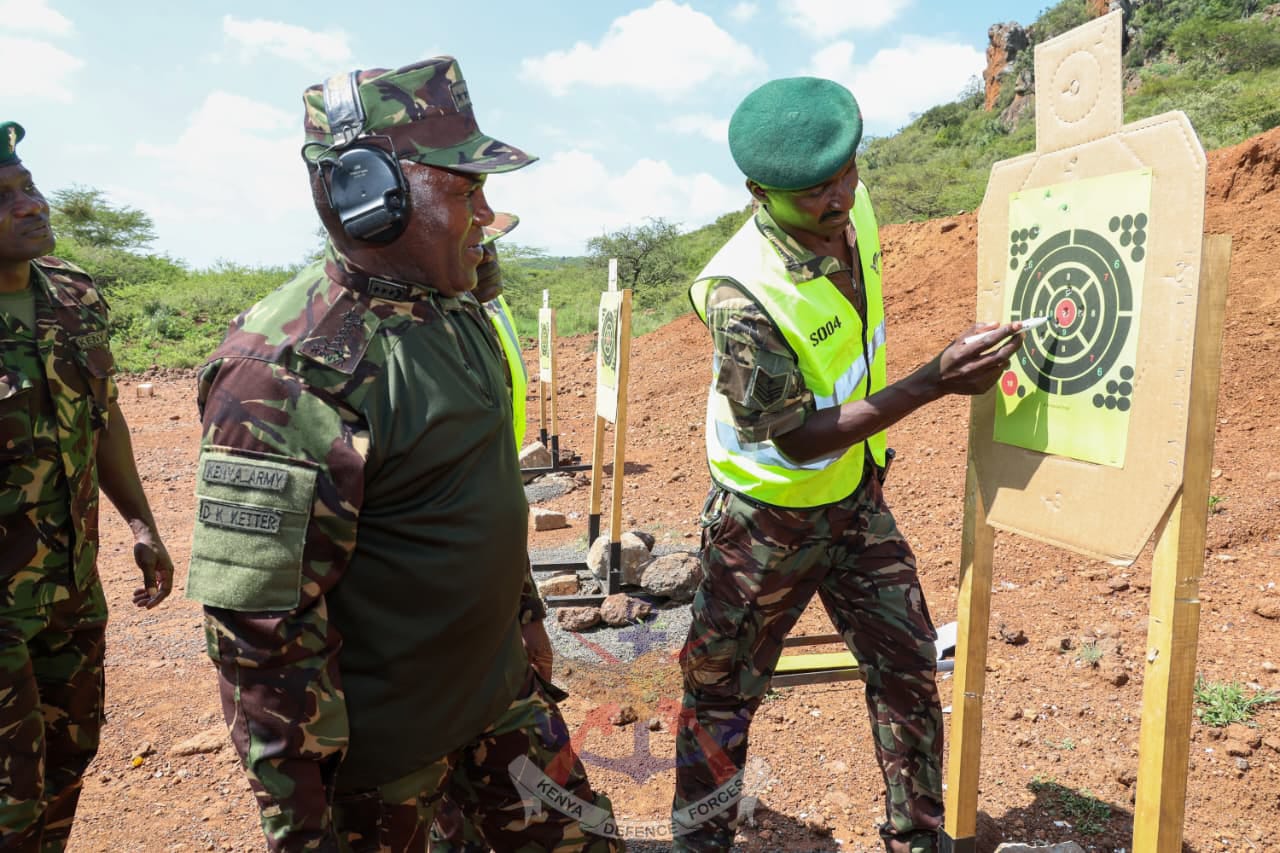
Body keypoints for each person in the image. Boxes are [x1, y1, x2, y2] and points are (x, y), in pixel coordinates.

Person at [186, 58, 620, 852]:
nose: (486, 215)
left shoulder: (451, 307)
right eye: (463, 191)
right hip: (388, 769)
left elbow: (477, 488)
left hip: (504, 706)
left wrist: (522, 615)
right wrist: (305, 829)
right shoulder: (287, 375)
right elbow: (261, 636)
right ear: (369, 197)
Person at [672, 78, 1025, 853]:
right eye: (813, 194)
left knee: (906, 668)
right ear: (759, 192)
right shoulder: (741, 294)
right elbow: (794, 438)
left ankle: (916, 837)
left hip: (855, 501)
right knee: (720, 700)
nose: (838, 200)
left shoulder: (854, 208)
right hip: (761, 528)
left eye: (846, 174)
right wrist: (934, 380)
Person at [0, 121, 174, 850]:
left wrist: (140, 523)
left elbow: (104, 419)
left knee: (68, 765)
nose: (30, 204)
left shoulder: (71, 294)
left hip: (72, 593)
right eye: (4, 197)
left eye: (28, 185)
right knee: (9, 795)